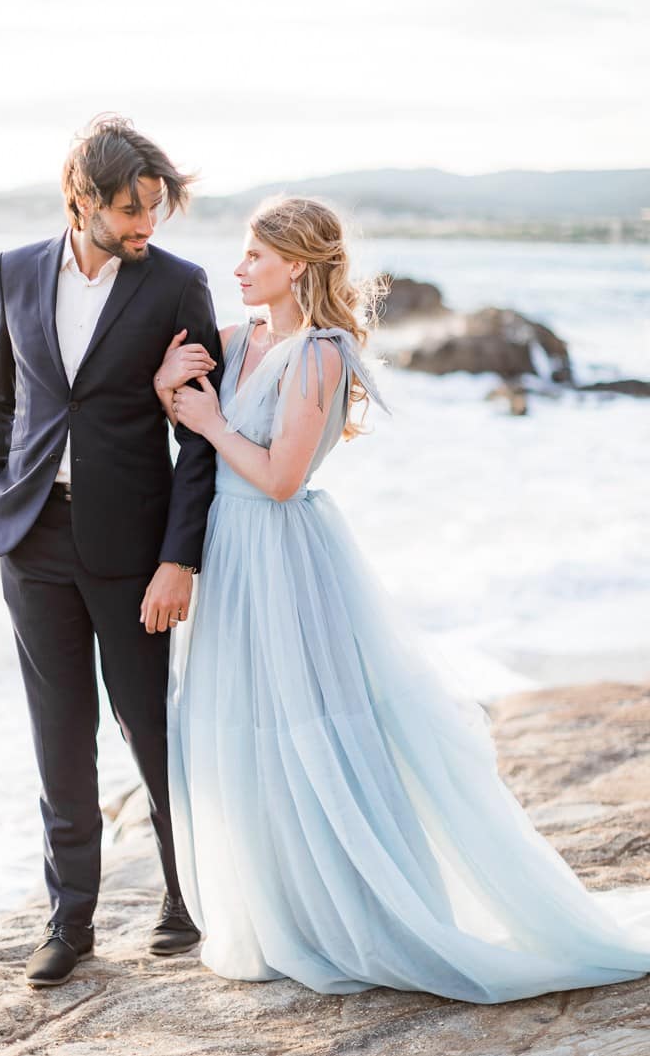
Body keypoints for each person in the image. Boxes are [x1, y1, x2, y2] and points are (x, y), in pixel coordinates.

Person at [158, 195, 650, 1001]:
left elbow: (281, 478)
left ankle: (357, 916)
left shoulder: (321, 352)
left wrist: (211, 422)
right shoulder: (235, 339)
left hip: (284, 560)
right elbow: (187, 427)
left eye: (254, 254)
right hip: (230, 560)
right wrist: (166, 385)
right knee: (241, 730)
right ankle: (279, 913)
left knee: (309, 731)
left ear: (297, 264)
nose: (239, 267)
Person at [0, 115, 225, 988]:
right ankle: (69, 920)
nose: (145, 224)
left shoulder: (179, 286)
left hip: (135, 549)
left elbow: (200, 437)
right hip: (33, 536)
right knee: (59, 734)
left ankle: (185, 897)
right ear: (80, 199)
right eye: (129, 209)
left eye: (154, 207)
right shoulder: (14, 271)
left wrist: (178, 558)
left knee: (150, 728)